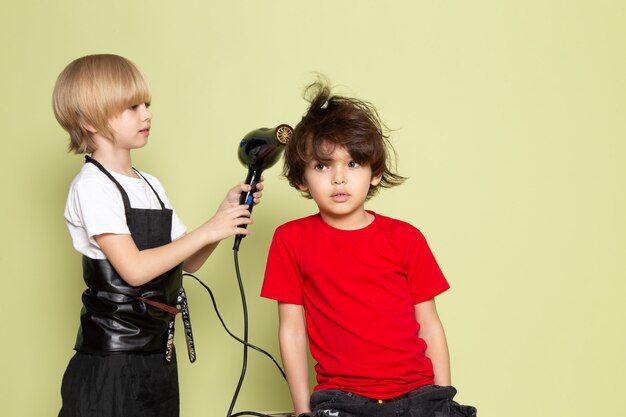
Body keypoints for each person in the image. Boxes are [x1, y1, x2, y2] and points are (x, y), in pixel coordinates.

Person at [53, 54, 262, 417]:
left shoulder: (151, 185)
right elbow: (133, 269)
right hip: (112, 363)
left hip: (158, 357)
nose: (146, 114)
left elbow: (190, 261)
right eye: (131, 107)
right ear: (88, 120)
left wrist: (222, 218)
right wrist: (207, 229)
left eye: (146, 104)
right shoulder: (92, 187)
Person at [261, 80, 477, 417]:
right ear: (301, 179)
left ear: (374, 173)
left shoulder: (406, 238)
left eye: (353, 164)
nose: (339, 178)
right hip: (342, 399)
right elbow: (291, 330)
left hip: (417, 393)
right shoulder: (291, 239)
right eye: (322, 166)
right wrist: (303, 411)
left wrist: (442, 401)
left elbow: (429, 324)